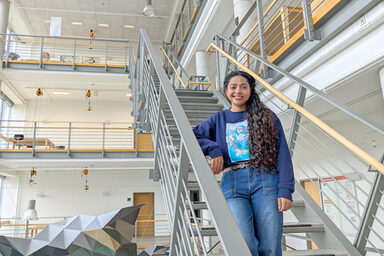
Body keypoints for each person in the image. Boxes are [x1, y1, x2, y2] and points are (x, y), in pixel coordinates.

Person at [193, 70, 294, 256]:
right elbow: (194, 135)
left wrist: (286, 189)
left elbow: (283, 154)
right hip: (232, 182)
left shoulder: (267, 116)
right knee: (243, 242)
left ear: (251, 90)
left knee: (270, 244)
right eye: (233, 87)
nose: (238, 91)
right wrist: (213, 149)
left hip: (265, 179)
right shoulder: (219, 119)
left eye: (243, 87)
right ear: (226, 90)